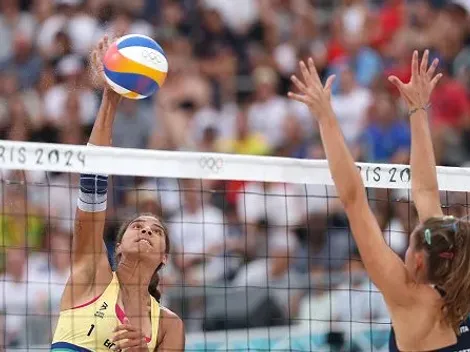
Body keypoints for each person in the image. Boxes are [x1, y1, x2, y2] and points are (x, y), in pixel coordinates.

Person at [288, 51, 470, 351]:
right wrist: (418, 108)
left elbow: (353, 200)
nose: (406, 249)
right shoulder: (462, 283)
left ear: (419, 260)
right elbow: (425, 192)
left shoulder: (407, 298)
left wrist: (325, 117)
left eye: (411, 244)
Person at [51, 36, 185, 352]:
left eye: (156, 230)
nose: (146, 230)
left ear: (165, 256)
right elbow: (92, 187)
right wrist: (110, 97)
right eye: (137, 225)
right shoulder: (92, 273)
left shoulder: (168, 325)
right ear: (118, 246)